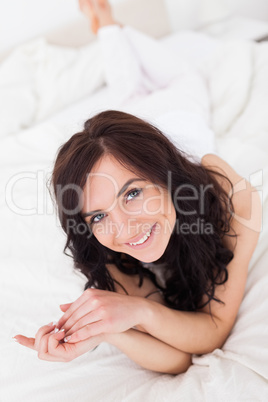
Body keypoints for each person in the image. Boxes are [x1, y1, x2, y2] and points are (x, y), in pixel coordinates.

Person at [13, 0, 261, 375]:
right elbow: (178, 359)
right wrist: (112, 330)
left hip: (180, 104)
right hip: (132, 135)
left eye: (132, 193)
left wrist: (141, 313)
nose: (124, 228)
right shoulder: (104, 241)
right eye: (98, 214)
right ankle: (106, 27)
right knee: (127, 87)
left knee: (144, 79)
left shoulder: (234, 198)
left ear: (166, 178)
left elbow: (212, 330)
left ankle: (109, 24)